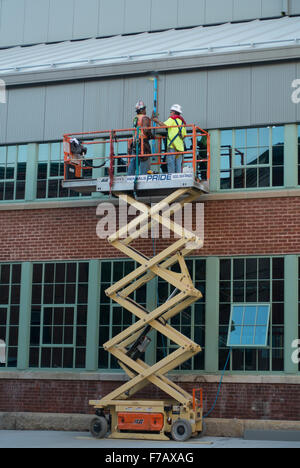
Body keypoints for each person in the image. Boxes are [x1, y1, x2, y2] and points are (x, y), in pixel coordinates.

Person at [152, 104, 187, 173]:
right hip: (180, 148)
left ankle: (172, 179)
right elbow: (184, 135)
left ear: (174, 112)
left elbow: (163, 125)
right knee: (178, 166)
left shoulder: (172, 119)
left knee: (171, 165)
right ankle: (178, 180)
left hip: (172, 146)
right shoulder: (182, 122)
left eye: (171, 112)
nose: (170, 113)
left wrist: (156, 121)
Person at [128, 100, 153, 176]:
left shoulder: (135, 118)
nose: (145, 110)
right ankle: (144, 177)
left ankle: (130, 177)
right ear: (142, 110)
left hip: (135, 142)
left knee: (133, 161)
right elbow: (145, 129)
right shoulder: (144, 118)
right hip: (143, 142)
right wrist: (151, 136)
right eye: (144, 109)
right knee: (144, 160)